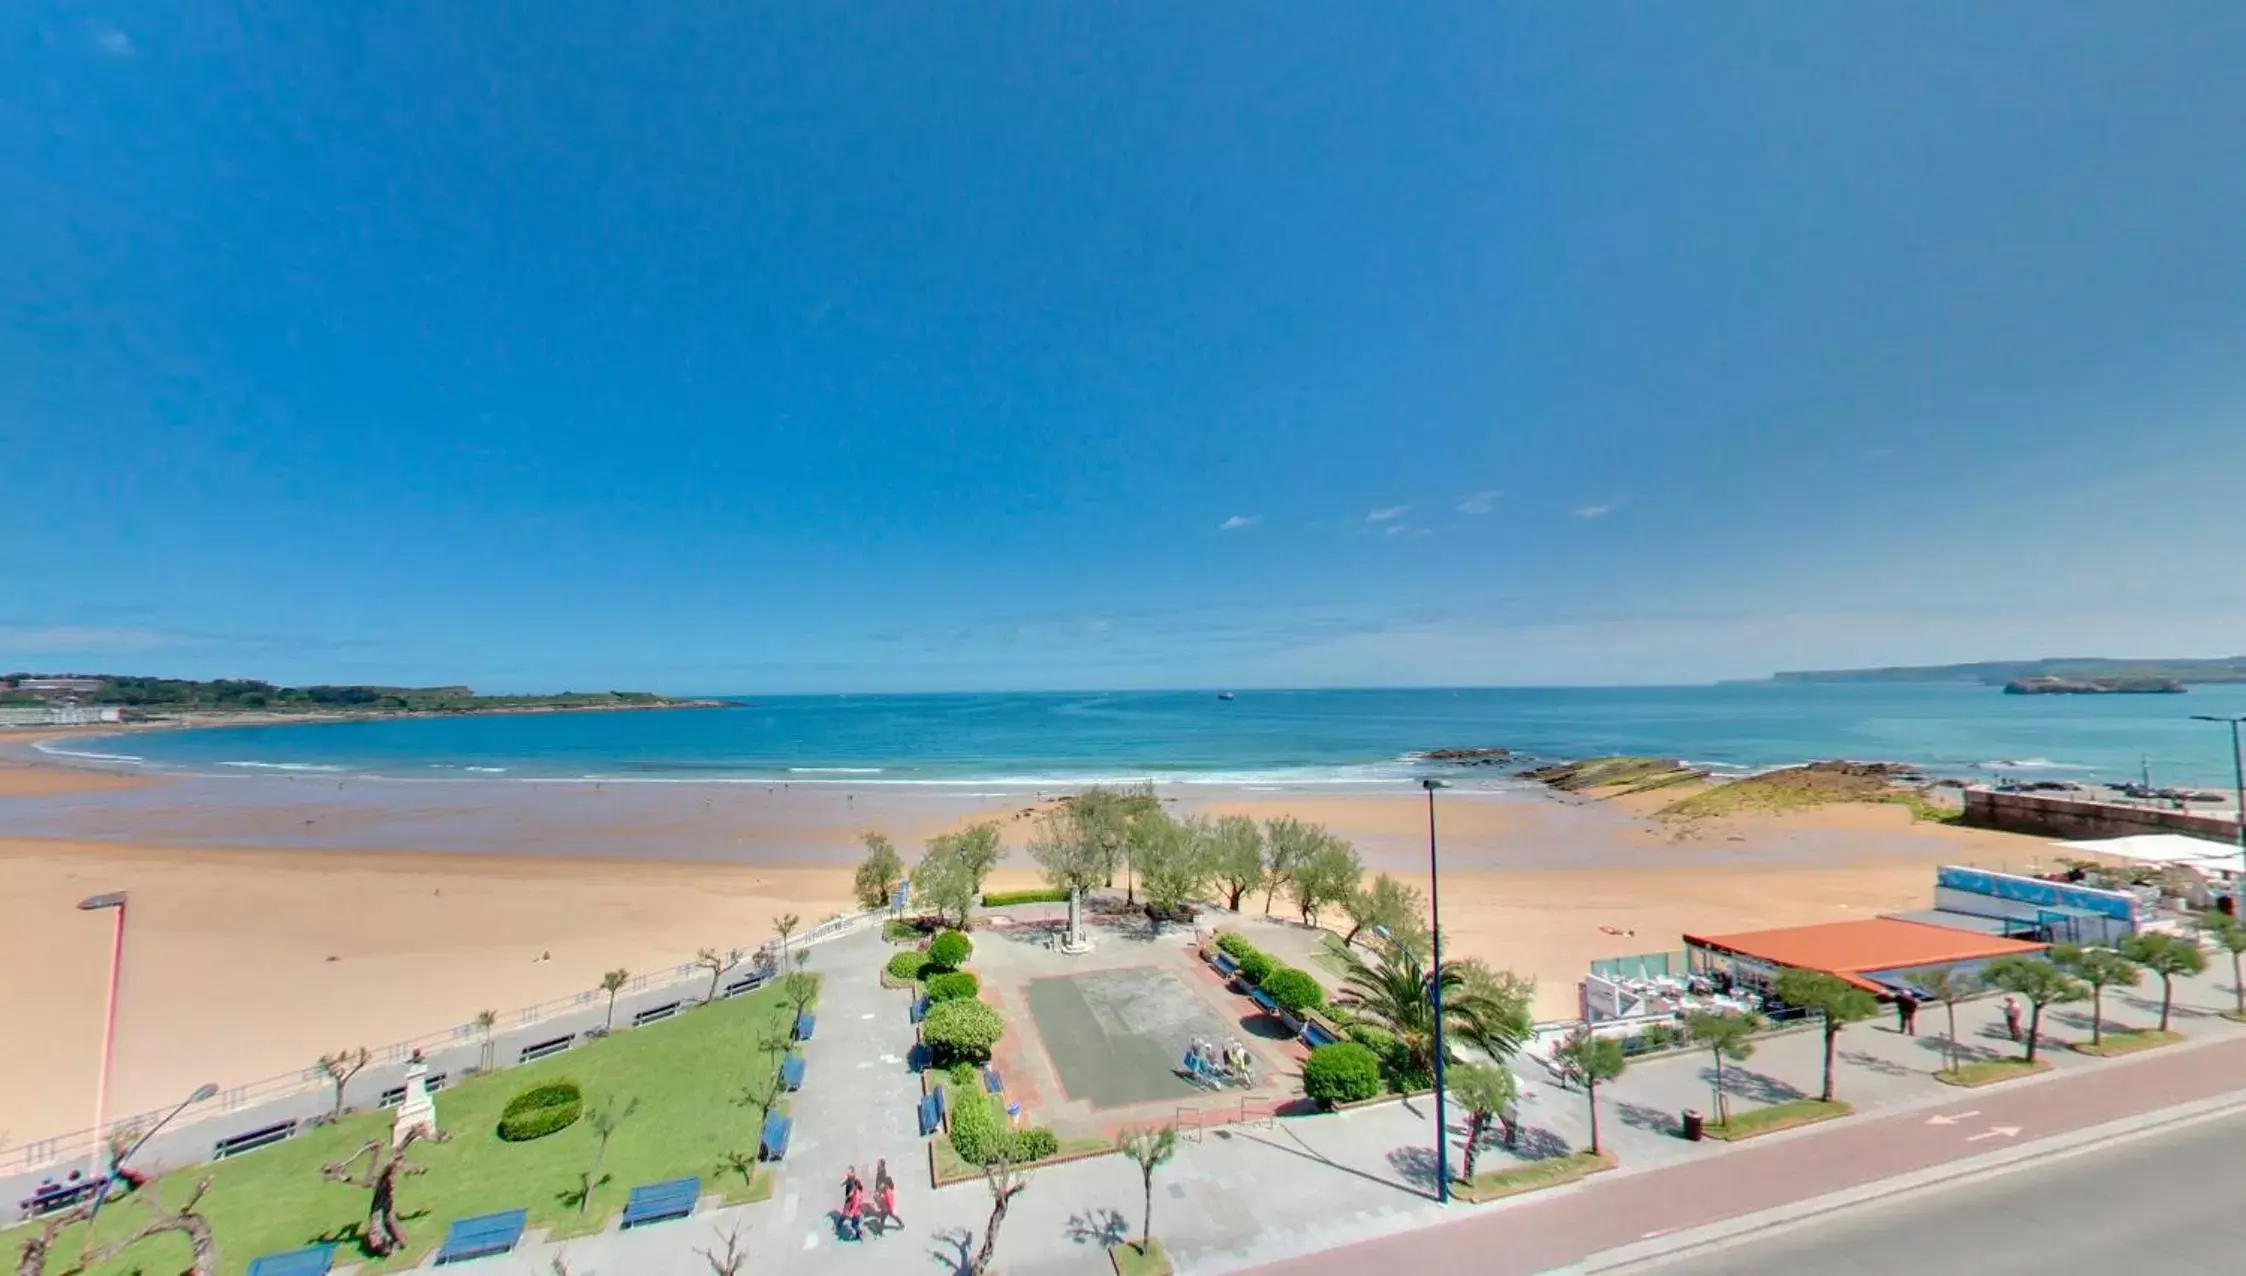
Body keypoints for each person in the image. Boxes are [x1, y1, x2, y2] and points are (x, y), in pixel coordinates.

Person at [874, 1160, 901, 1233]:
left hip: (886, 1205)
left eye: (879, 1164)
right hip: (885, 1204)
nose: (877, 1165)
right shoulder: (880, 1173)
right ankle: (880, 1229)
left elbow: (889, 1200)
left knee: (887, 1214)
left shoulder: (883, 1175)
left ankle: (900, 1223)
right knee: (884, 1216)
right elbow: (878, 1182)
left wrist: (879, 1194)